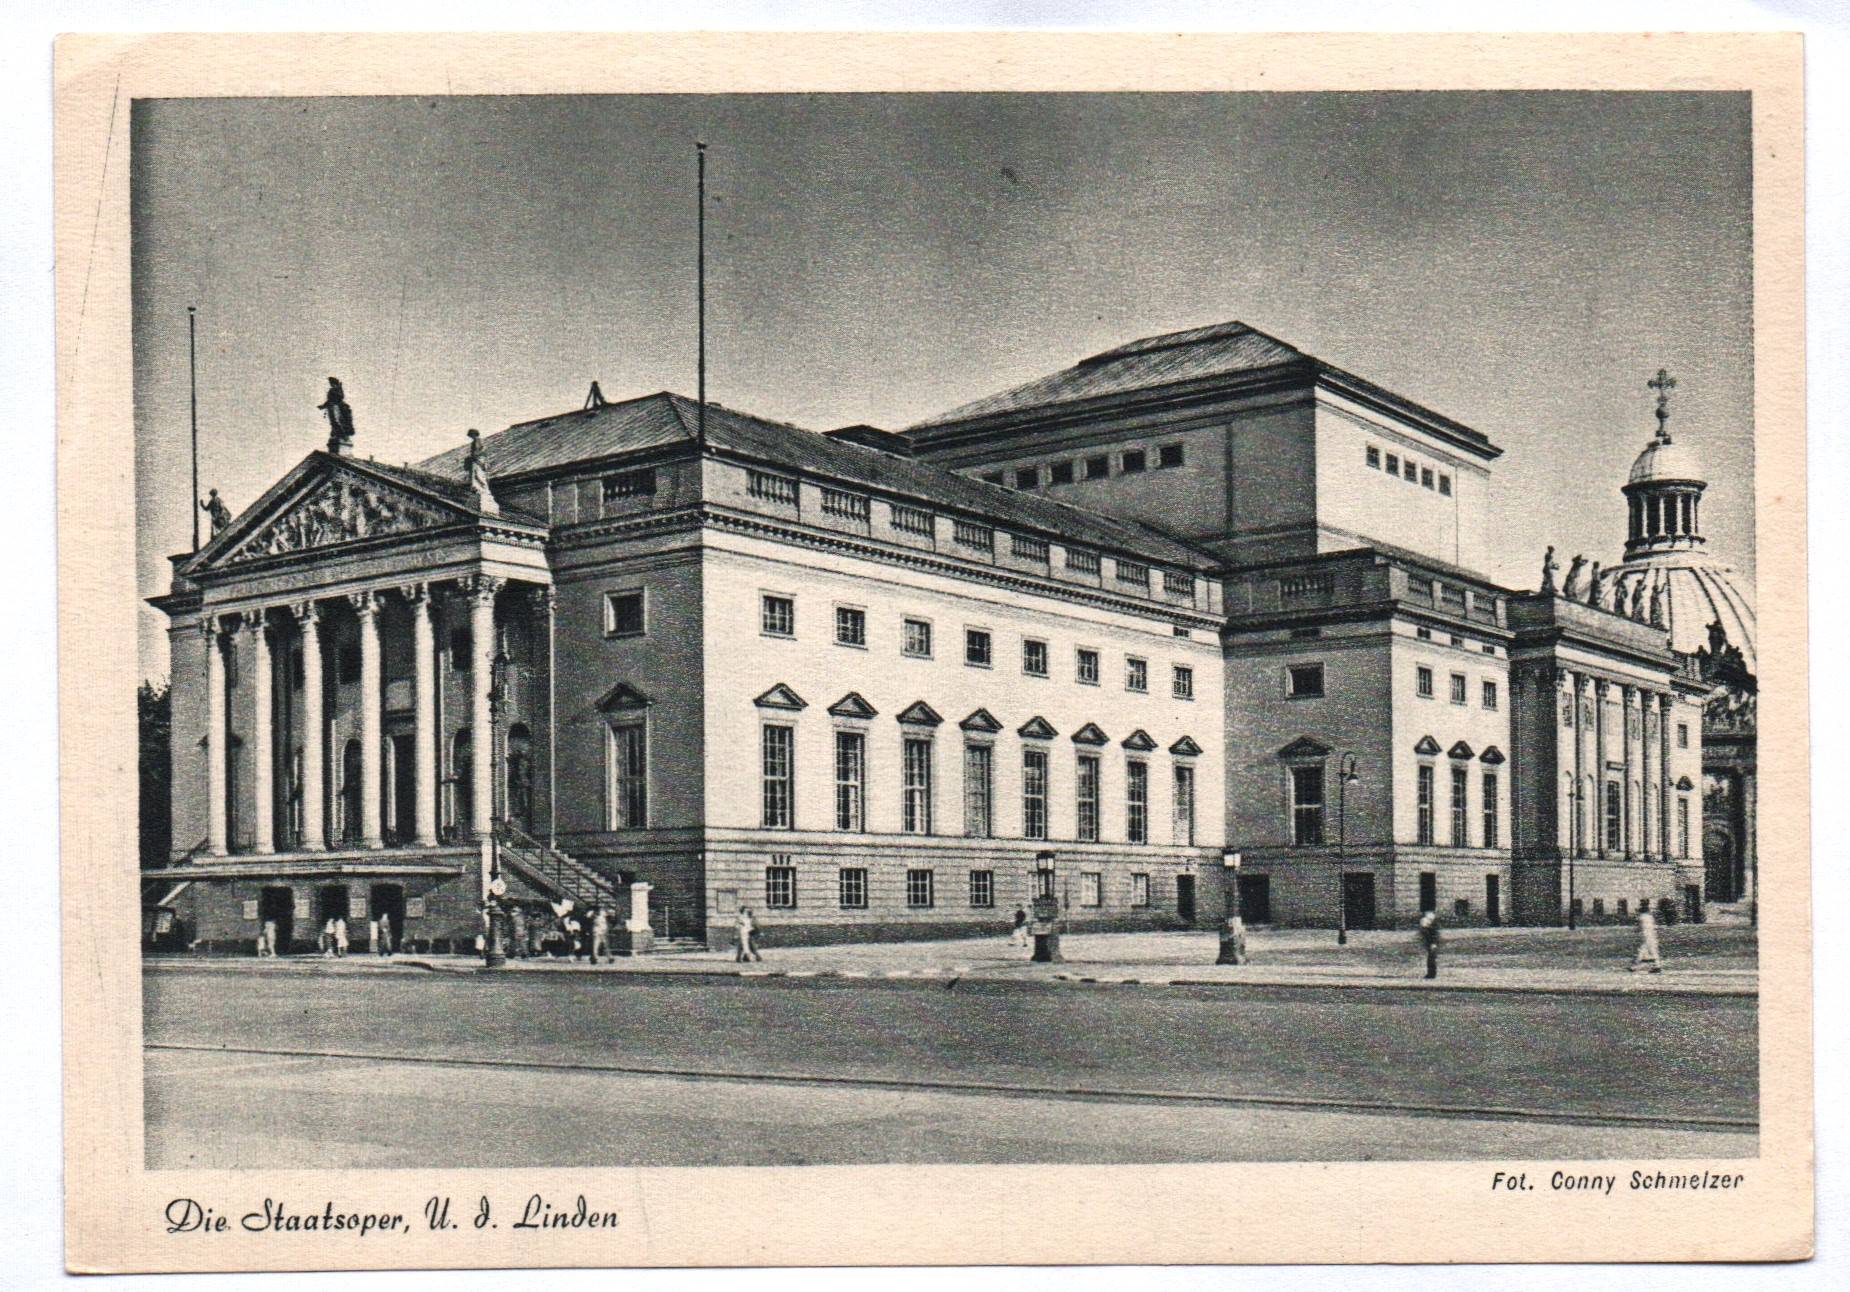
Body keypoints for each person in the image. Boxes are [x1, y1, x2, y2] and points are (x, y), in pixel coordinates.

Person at [1632, 907, 1663, 973]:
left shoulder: (1641, 916)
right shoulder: (1650, 917)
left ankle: (1635, 966)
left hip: (1646, 935)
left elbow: (1640, 926)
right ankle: (1657, 966)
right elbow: (1654, 926)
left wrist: (1636, 930)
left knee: (1644, 949)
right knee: (1651, 950)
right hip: (1652, 934)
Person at [1418, 910, 1441, 980]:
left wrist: (1433, 943)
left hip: (1432, 944)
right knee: (1431, 959)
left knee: (1431, 959)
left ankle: (1431, 974)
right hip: (1430, 944)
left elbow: (1434, 936)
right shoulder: (1429, 928)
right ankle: (1431, 973)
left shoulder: (1432, 929)